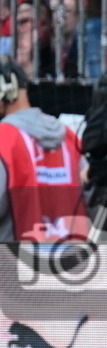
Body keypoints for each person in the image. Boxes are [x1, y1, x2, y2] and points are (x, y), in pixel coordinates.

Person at [0, 56, 45, 240]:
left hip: (12, 263)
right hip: (70, 260)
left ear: (7, 90)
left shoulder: (3, 138)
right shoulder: (67, 135)